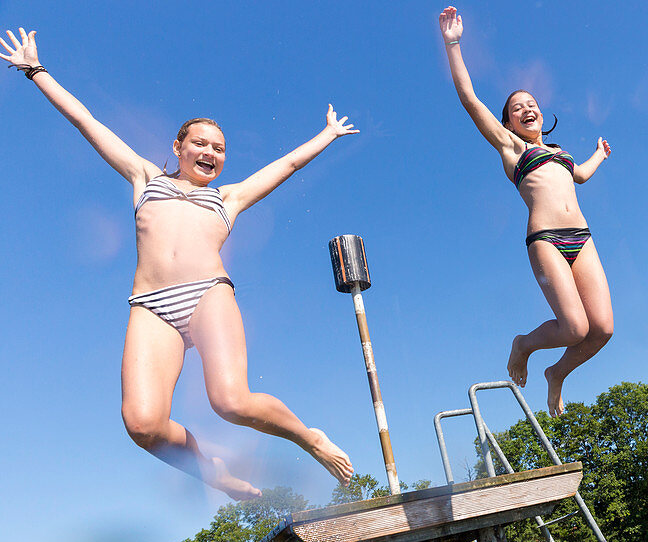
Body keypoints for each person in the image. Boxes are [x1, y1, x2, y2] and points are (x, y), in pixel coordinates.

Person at [2, 28, 356, 500]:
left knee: (231, 402)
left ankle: (309, 437)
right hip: (151, 305)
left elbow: (287, 165)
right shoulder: (143, 177)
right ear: (178, 146)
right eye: (201, 143)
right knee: (143, 424)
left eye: (219, 148)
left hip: (207, 293)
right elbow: (86, 122)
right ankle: (211, 472)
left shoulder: (227, 198)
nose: (210, 153)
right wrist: (36, 72)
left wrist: (327, 134)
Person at [438, 7, 613, 416]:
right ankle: (523, 344)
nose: (527, 108)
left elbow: (581, 176)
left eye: (531, 103)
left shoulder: (559, 153)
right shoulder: (512, 149)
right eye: (517, 107)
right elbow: (469, 98)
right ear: (509, 123)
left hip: (582, 239)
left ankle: (557, 374)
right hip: (547, 240)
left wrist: (599, 155)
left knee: (602, 329)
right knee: (574, 328)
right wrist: (453, 44)